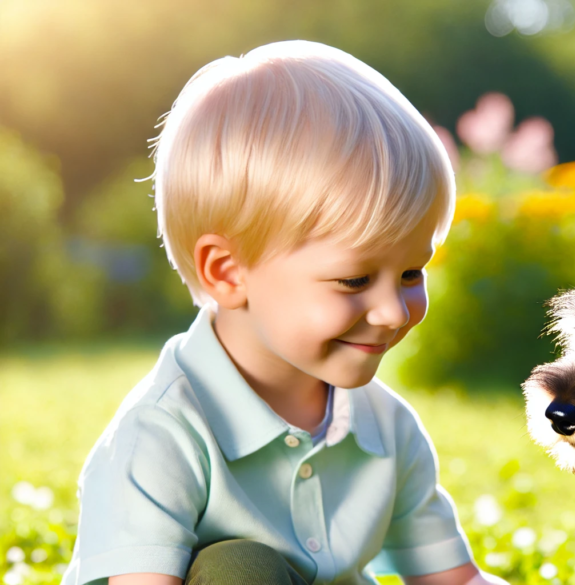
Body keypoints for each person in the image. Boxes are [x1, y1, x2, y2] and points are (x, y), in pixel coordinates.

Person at [61, 40, 504, 585]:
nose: (393, 311)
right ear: (226, 271)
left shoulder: (386, 426)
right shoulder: (160, 433)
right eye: (355, 279)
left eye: (412, 272)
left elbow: (454, 580)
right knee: (236, 570)